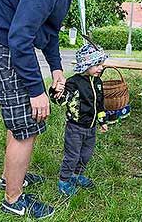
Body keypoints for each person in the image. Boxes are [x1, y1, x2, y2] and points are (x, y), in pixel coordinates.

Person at [0, 0, 119, 219]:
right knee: (28, 121)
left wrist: (56, 70)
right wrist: (36, 91)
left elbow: (49, 32)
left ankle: (10, 177)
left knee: (20, 120)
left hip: (9, 43)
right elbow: (19, 36)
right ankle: (13, 199)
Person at [49, 43, 108, 196]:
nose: (100, 68)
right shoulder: (74, 82)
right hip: (75, 128)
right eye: (96, 65)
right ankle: (64, 180)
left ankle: (76, 175)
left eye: (101, 64)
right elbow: (61, 100)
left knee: (86, 154)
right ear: (85, 65)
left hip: (91, 127)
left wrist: (102, 121)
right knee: (72, 155)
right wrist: (56, 92)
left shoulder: (98, 83)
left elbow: (100, 104)